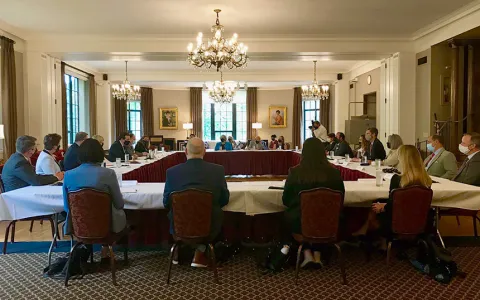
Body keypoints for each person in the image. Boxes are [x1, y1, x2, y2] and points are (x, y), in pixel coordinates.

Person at [163, 138, 229, 267]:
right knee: (214, 214)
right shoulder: (217, 171)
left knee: (177, 214)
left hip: (180, 225)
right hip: (208, 225)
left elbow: (166, 203)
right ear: (205, 152)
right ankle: (201, 250)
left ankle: (179, 248)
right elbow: (224, 200)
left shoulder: (171, 172)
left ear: (185, 151)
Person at [282, 138, 345, 268]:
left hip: (301, 224)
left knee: (292, 216)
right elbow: (341, 199)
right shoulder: (334, 173)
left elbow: (286, 200)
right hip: (330, 223)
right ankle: (318, 254)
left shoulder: (295, 172)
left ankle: (307, 253)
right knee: (318, 217)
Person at [63, 138, 126, 260]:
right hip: (106, 225)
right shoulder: (108, 174)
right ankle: (106, 249)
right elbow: (119, 204)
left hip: (79, 227)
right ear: (100, 154)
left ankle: (86, 249)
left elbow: (67, 207)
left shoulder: (68, 175)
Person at [371, 145, 432, 240]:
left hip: (397, 222)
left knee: (375, 205)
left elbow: (393, 204)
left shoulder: (397, 179)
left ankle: (377, 240)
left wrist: (384, 206)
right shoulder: (426, 180)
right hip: (421, 221)